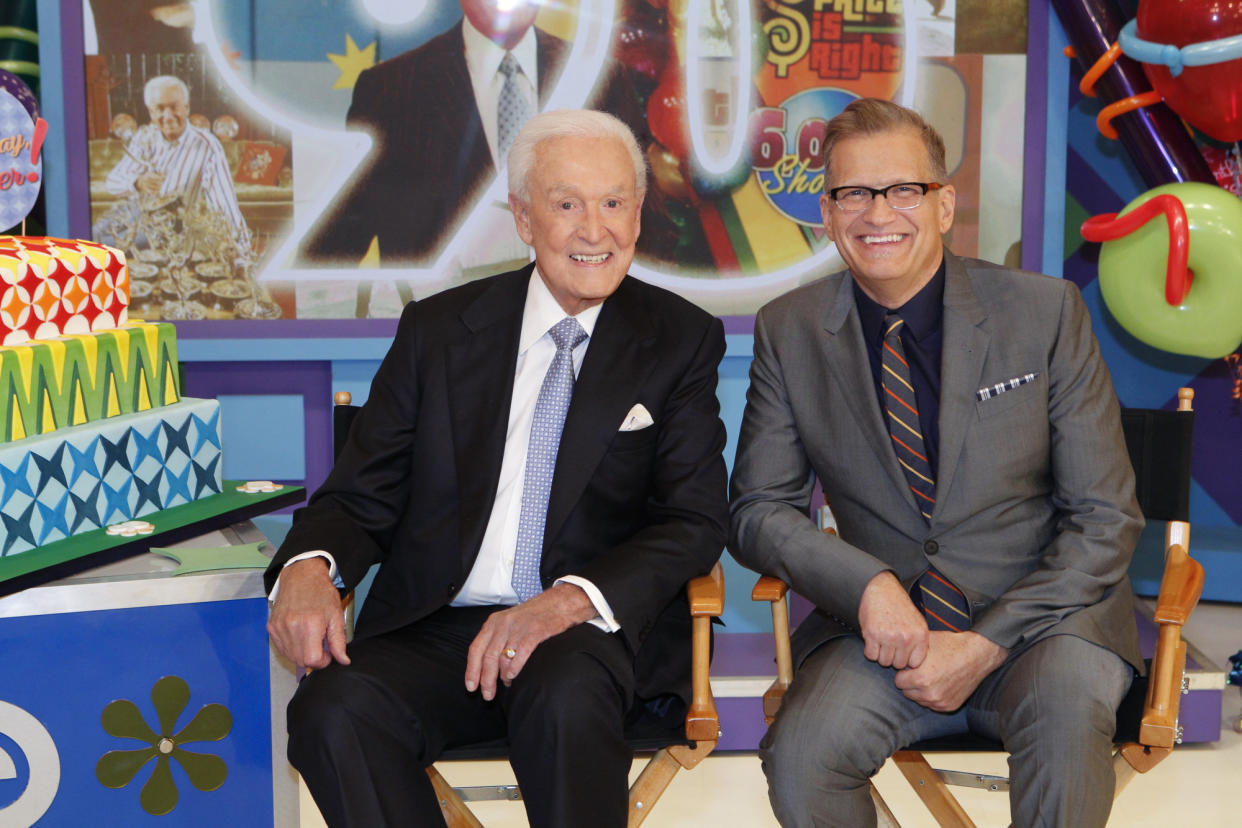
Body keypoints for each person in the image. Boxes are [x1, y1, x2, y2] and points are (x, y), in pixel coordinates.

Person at [266, 108, 728, 827]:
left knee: (567, 697)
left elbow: (693, 519)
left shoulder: (679, 340)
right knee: (333, 710)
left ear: (638, 214)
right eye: (566, 203)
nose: (593, 229)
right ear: (522, 216)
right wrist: (307, 566)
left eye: (613, 203)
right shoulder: (439, 331)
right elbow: (360, 494)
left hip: (579, 633)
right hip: (437, 627)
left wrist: (566, 601)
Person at [728, 98, 1142, 828]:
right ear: (826, 213)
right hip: (884, 636)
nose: (876, 212)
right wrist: (868, 585)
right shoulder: (790, 331)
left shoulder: (1044, 313)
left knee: (1067, 726)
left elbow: (1105, 519)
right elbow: (759, 509)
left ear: (944, 205)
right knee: (802, 754)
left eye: (902, 190)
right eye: (852, 192)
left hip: (1045, 626)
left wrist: (985, 642)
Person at [298, 0, 664, 272]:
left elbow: (647, 222)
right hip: (444, 344)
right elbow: (339, 246)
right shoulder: (389, 92)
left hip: (585, 335)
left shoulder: (601, 79)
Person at [103, 75, 249, 257]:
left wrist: (242, 251)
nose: (168, 116)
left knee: (101, 250)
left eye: (174, 107)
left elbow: (224, 204)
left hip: (171, 229)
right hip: (133, 215)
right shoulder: (144, 137)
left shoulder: (207, 146)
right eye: (160, 109)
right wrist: (138, 182)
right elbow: (113, 182)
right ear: (151, 112)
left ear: (186, 108)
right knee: (85, 237)